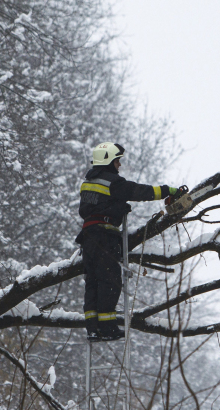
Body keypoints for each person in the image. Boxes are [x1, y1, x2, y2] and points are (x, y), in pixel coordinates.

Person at [78, 141, 185, 341]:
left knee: (92, 283)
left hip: (87, 239)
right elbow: (142, 192)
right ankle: (108, 328)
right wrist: (168, 190)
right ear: (109, 161)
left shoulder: (87, 183)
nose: (119, 165)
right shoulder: (113, 182)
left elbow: (92, 209)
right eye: (118, 161)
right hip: (105, 238)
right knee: (109, 281)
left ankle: (93, 328)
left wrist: (116, 207)